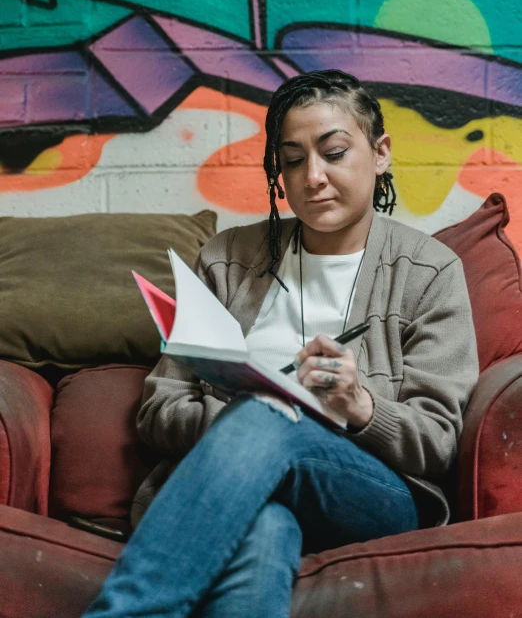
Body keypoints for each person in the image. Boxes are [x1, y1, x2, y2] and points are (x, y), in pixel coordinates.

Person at [82, 70, 479, 618]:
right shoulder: (226, 260)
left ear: (380, 152)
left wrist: (359, 407)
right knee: (267, 521)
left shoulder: (428, 271)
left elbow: (437, 440)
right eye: (292, 160)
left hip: (369, 494)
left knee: (271, 415)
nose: (313, 176)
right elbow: (159, 412)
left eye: (334, 152)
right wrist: (244, 423)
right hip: (238, 494)